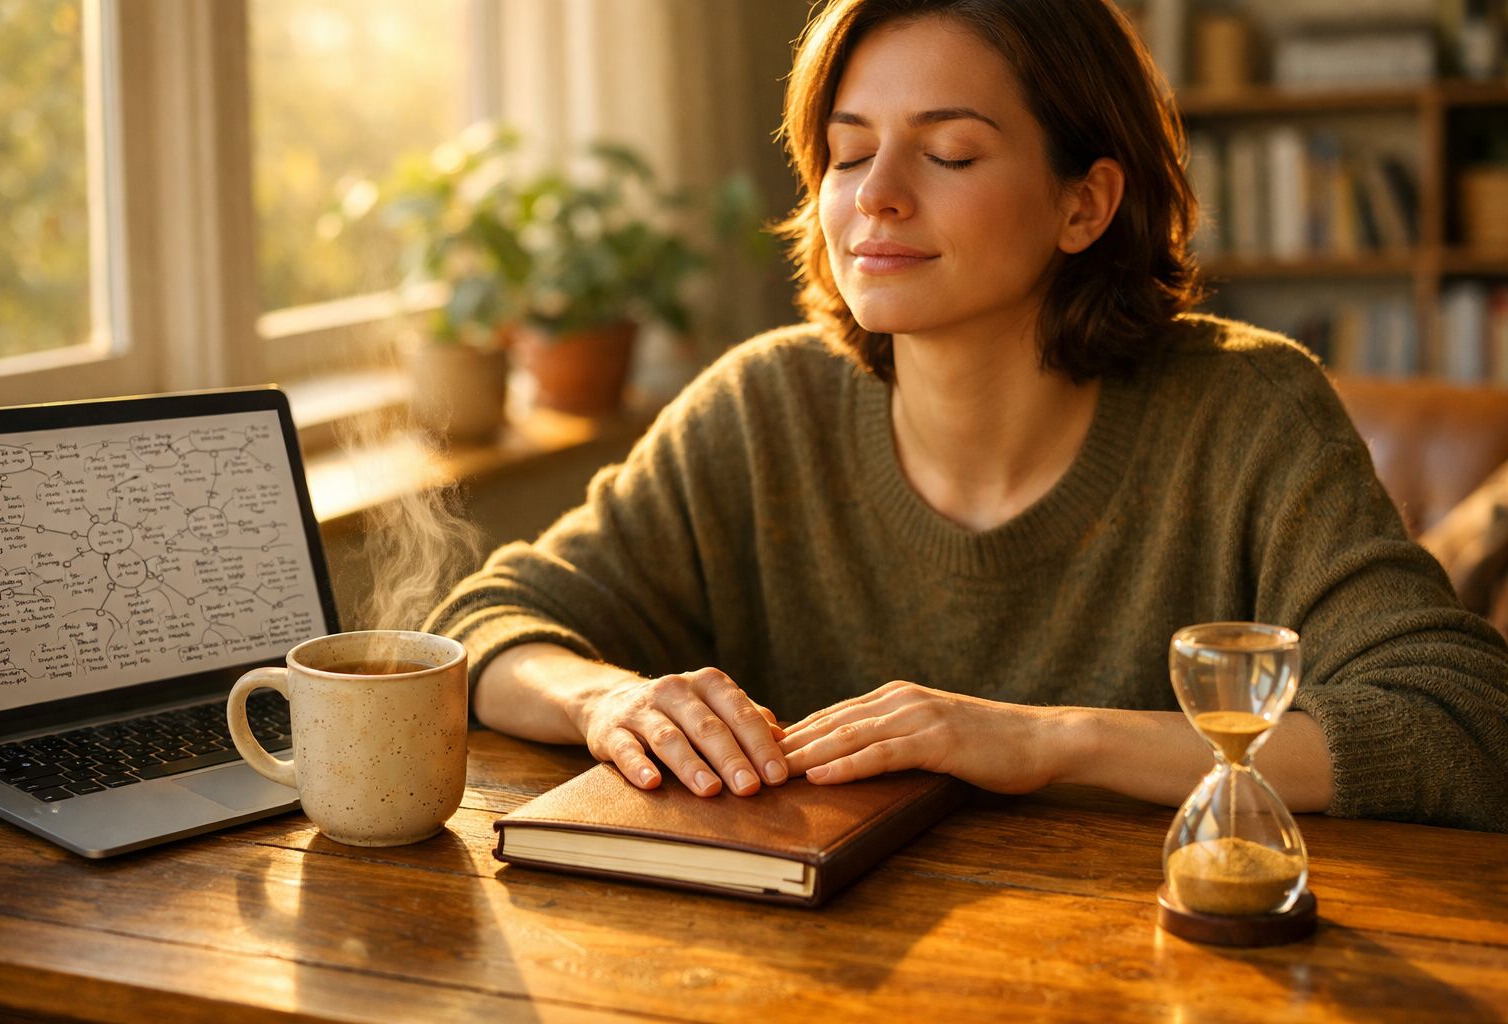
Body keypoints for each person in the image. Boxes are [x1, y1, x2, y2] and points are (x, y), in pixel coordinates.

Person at [426, 0, 1508, 831]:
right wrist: (605, 702)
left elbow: (1463, 723)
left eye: (948, 153)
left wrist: (1043, 740)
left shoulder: (1248, 413)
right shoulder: (761, 409)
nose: (876, 196)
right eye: (850, 152)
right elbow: (485, 625)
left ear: (1085, 202)